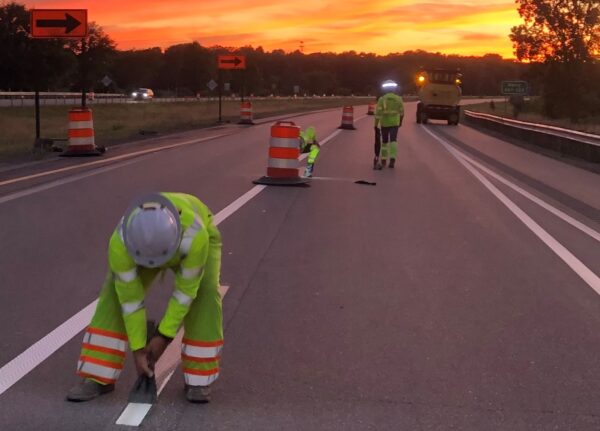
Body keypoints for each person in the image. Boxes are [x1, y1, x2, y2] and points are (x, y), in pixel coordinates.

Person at [66, 192, 223, 404]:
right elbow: (130, 300)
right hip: (140, 254)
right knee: (113, 295)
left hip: (192, 241)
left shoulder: (195, 238)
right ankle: (98, 375)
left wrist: (163, 337)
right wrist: (138, 348)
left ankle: (199, 380)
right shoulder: (121, 243)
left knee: (205, 293)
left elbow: (185, 293)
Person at [373, 80, 404, 169]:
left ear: (385, 89)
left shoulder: (382, 99)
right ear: (394, 88)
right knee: (393, 140)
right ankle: (392, 159)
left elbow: (378, 114)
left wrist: (375, 125)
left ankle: (383, 159)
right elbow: (402, 112)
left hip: (384, 123)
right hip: (395, 123)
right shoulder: (399, 99)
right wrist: (400, 122)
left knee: (384, 141)